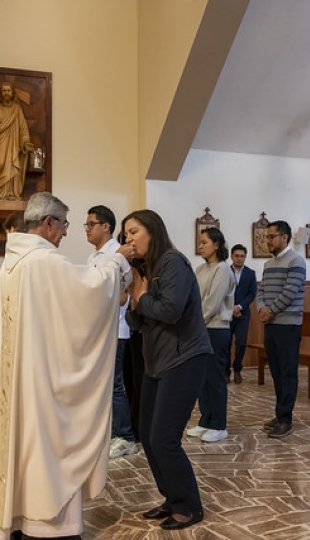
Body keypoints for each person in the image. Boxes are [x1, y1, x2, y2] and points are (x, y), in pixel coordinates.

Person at [0, 192, 133, 540]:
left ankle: (19, 517)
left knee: (24, 448)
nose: (64, 233)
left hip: (19, 381)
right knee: (50, 445)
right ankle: (50, 525)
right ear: (48, 223)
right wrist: (117, 262)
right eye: (64, 225)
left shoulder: (11, 262)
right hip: (44, 382)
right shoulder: (44, 262)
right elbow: (90, 293)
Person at [121, 209, 213, 531]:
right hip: (156, 362)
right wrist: (133, 300)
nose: (128, 239)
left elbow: (171, 311)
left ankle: (189, 506)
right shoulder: (144, 270)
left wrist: (142, 296)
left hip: (184, 358)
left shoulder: (173, 262)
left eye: (133, 232)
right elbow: (137, 323)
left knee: (163, 438)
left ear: (152, 230)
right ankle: (172, 498)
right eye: (126, 234)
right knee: (147, 434)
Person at [85, 205, 138, 459]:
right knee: (102, 386)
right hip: (98, 329)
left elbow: (119, 295)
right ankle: (110, 431)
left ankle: (125, 436)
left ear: (105, 226)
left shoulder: (117, 254)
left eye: (90, 224)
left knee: (115, 385)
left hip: (115, 328)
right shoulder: (95, 256)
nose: (87, 229)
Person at [257, 220, 306, 439]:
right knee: (276, 373)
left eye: (271, 236)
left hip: (288, 326)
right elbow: (262, 290)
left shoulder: (296, 261)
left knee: (288, 373)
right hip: (271, 325)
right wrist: (261, 308)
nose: (267, 240)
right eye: (266, 237)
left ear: (284, 237)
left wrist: (271, 310)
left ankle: (286, 419)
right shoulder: (268, 265)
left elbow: (290, 291)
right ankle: (279, 415)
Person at [187, 227, 234, 443]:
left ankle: (219, 425)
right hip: (201, 328)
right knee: (201, 379)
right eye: (199, 242)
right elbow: (195, 299)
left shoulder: (223, 269)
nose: (200, 246)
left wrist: (196, 324)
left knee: (215, 379)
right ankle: (206, 420)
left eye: (204, 242)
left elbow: (213, 303)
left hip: (216, 329)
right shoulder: (199, 269)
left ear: (217, 244)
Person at [227, 244, 257, 383]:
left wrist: (239, 307)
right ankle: (225, 372)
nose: (239, 259)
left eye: (242, 256)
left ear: (245, 257)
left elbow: (252, 294)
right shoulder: (224, 271)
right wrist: (231, 308)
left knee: (241, 343)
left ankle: (237, 369)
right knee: (225, 344)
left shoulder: (250, 273)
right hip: (226, 314)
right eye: (237, 256)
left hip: (243, 314)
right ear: (232, 256)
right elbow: (221, 292)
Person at [0, 82, 34, 200]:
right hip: (1, 143)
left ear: (12, 92)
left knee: (11, 165)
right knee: (1, 163)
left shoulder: (17, 109)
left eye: (8, 91)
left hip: (13, 145)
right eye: (4, 91)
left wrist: (25, 142)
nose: (6, 93)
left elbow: (23, 128)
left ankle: (10, 193)